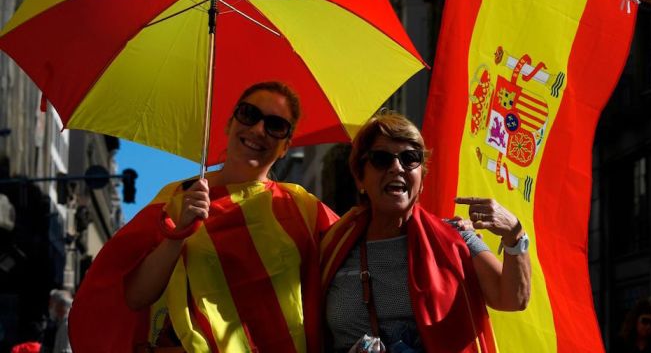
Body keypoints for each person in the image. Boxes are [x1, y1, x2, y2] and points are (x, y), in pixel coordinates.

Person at [69, 81, 338, 353]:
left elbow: (353, 251)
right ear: (229, 124)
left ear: (285, 147)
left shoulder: (302, 208)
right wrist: (178, 233)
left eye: (276, 125)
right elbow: (135, 296)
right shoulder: (177, 199)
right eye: (249, 114)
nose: (258, 130)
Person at [321, 110, 531, 353]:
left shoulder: (455, 239)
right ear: (360, 178)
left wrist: (514, 235)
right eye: (381, 159)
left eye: (410, 158)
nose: (396, 168)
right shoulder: (332, 245)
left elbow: (513, 299)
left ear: (421, 178)